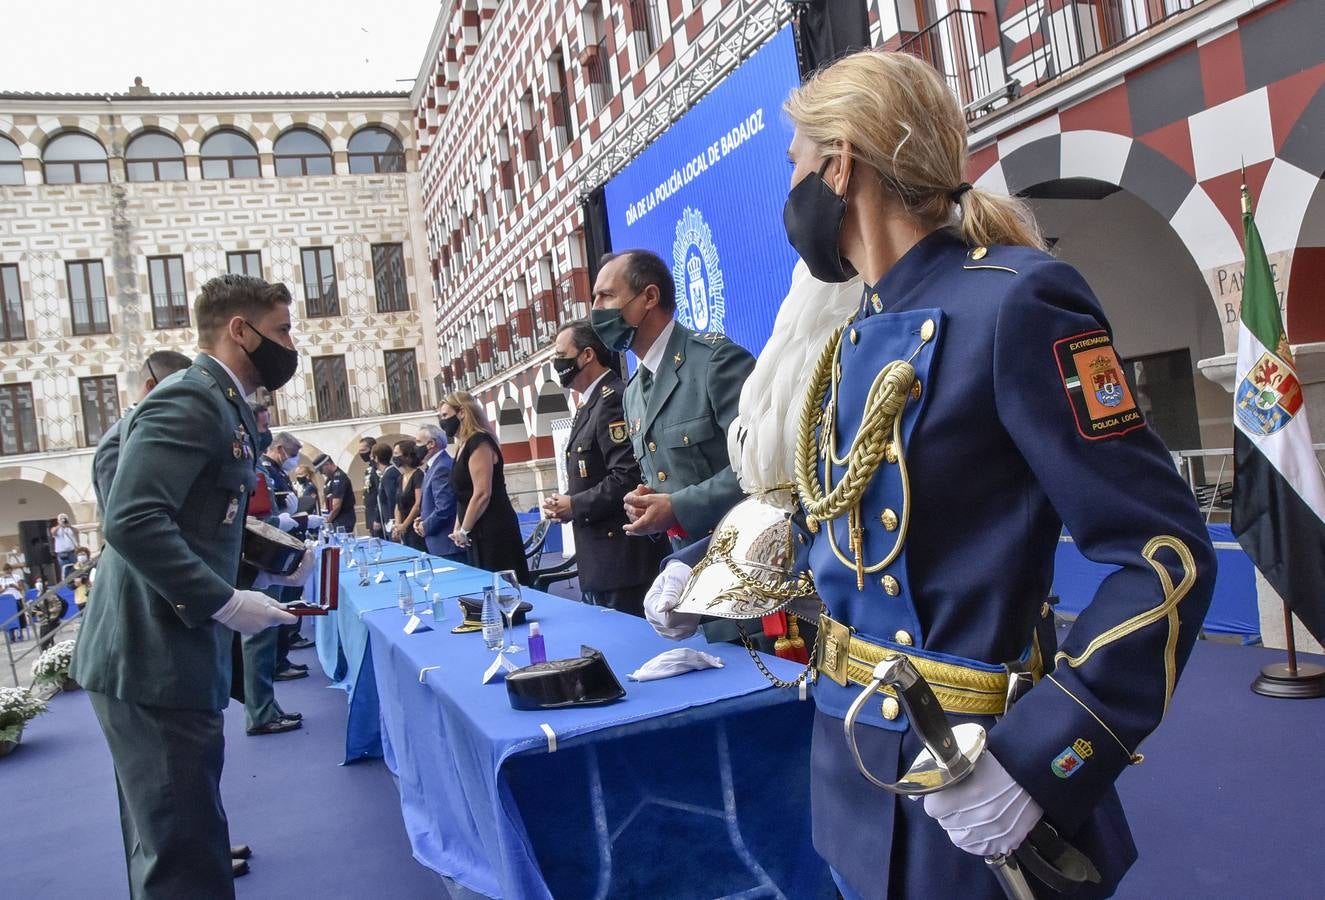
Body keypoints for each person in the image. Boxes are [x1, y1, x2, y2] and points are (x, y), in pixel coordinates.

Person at [645, 51, 1217, 899]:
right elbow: (828, 510)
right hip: (853, 763)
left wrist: (1041, 757)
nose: (788, 189)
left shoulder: (1016, 302)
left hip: (971, 767)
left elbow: (1164, 556)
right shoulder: (852, 336)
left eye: (794, 162)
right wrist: (707, 567)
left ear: (840, 165)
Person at [69, 274, 305, 898]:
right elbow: (132, 518)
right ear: (240, 331)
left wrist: (271, 561)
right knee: (183, 857)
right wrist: (224, 601)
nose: (289, 345)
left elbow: (199, 515)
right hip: (152, 655)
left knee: (178, 838)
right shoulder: (192, 399)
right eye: (281, 330)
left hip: (168, 652)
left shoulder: (218, 401)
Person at [590, 249, 755, 549]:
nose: (595, 309)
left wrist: (678, 506)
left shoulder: (714, 362)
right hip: (687, 558)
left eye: (606, 296)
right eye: (595, 298)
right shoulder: (632, 394)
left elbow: (760, 467)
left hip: (745, 550)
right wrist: (647, 504)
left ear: (650, 297)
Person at [541, 319, 668, 616]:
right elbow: (592, 472)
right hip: (601, 561)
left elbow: (626, 476)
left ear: (587, 354)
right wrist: (565, 502)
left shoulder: (612, 399)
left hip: (622, 560)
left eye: (561, 355)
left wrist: (575, 505)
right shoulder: (589, 403)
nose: (557, 363)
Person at [244, 429, 310, 734]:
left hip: (264, 556)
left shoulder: (257, 466)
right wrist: (278, 521)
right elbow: (250, 517)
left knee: (265, 637)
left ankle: (266, 707)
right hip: (255, 558)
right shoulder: (252, 466)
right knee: (259, 638)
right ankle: (261, 713)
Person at [442, 391, 530, 583]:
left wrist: (464, 530)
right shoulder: (461, 446)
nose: (443, 421)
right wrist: (458, 528)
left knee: (501, 586)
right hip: (475, 528)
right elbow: (463, 495)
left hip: (492, 527)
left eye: (445, 415)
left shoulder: (479, 442)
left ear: (462, 412)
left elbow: (482, 493)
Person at [92, 350, 195, 513]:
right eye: (178, 393)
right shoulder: (117, 442)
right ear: (151, 386)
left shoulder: (163, 430)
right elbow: (125, 515)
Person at [412, 424, 460, 560]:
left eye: (418, 442)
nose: (415, 447)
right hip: (439, 544)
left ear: (431, 444)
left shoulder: (442, 467)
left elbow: (445, 507)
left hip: (447, 545)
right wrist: (422, 518)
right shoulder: (433, 466)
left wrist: (425, 526)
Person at [391, 439, 426, 551]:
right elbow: (398, 504)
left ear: (407, 456)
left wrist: (405, 525)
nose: (394, 457)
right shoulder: (401, 477)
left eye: (397, 453)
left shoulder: (418, 475)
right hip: (404, 527)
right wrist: (398, 525)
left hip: (415, 526)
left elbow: (418, 503)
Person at [314, 453, 356, 534]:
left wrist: (327, 521)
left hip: (343, 519)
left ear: (327, 464)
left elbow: (336, 505)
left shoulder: (339, 478)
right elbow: (326, 499)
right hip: (334, 519)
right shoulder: (329, 479)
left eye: (321, 469)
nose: (321, 473)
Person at [373, 441, 402, 536]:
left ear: (376, 458)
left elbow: (392, 498)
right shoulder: (387, 473)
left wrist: (393, 522)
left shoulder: (389, 475)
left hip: (392, 522)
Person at [359, 436, 383, 537]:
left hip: (377, 515)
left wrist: (377, 518)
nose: (361, 453)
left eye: (363, 450)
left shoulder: (377, 469)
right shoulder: (369, 468)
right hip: (371, 514)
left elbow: (380, 494)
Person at [50, 514, 78, 578]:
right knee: (65, 569)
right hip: (62, 553)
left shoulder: (70, 528)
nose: (63, 520)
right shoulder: (56, 528)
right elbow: (53, 532)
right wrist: (60, 525)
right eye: (61, 519)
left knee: (75, 568)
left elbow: (77, 531)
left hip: (72, 552)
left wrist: (69, 526)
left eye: (64, 518)